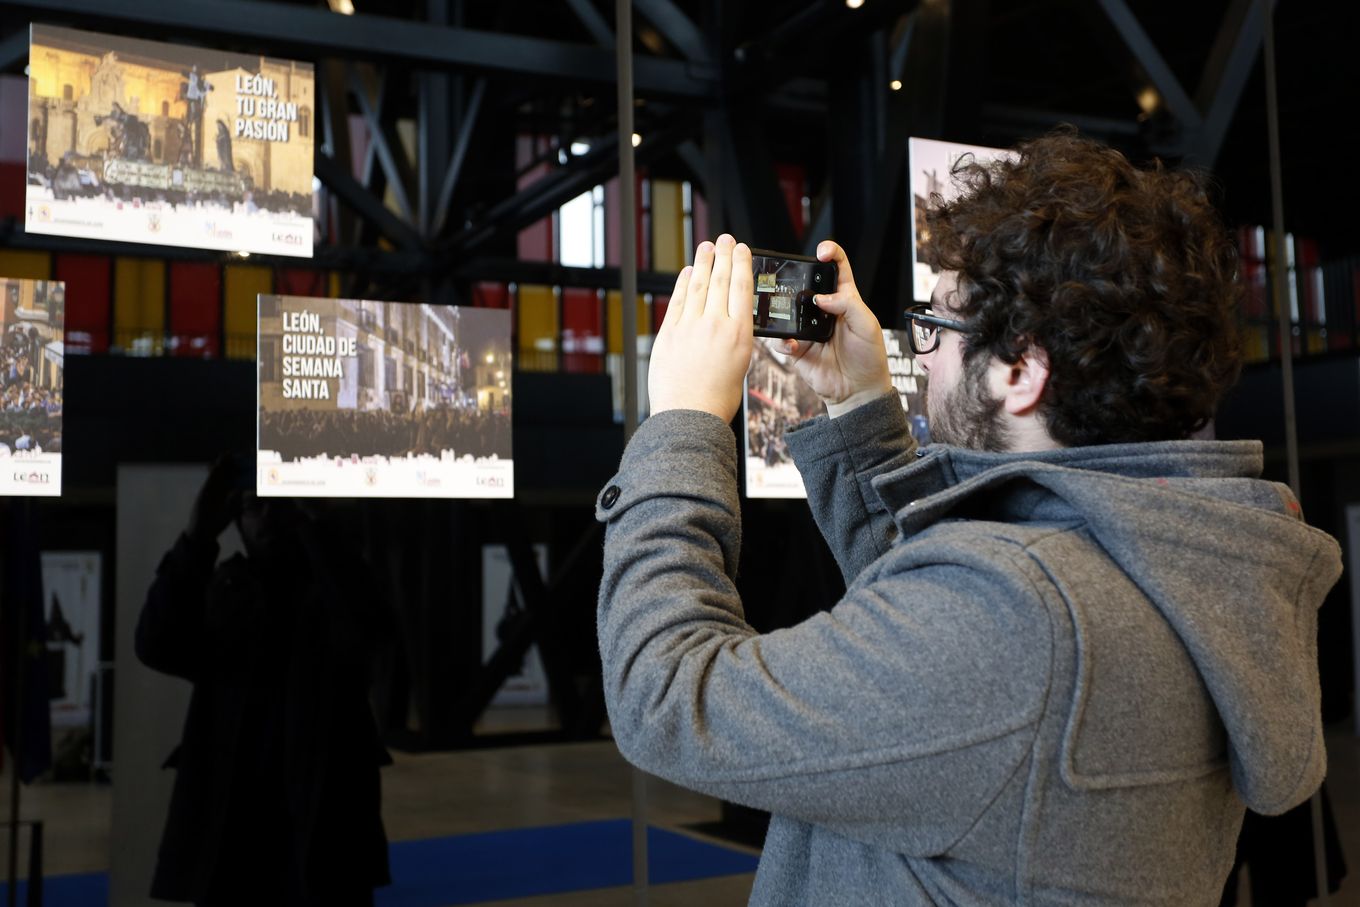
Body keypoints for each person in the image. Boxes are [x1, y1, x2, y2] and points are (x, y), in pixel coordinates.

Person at [594, 131, 1343, 904]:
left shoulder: (1024, 617)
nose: (928, 356)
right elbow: (937, 659)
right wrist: (857, 406)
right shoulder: (1173, 567)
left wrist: (683, 421)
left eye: (939, 326)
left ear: (1020, 370)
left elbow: (671, 697)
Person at [136, 458, 392, 906]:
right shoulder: (222, 591)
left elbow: (366, 630)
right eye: (254, 506)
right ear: (235, 520)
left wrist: (318, 523)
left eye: (280, 503)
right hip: (234, 828)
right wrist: (195, 540)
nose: (269, 517)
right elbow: (156, 644)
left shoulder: (336, 587)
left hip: (324, 825)